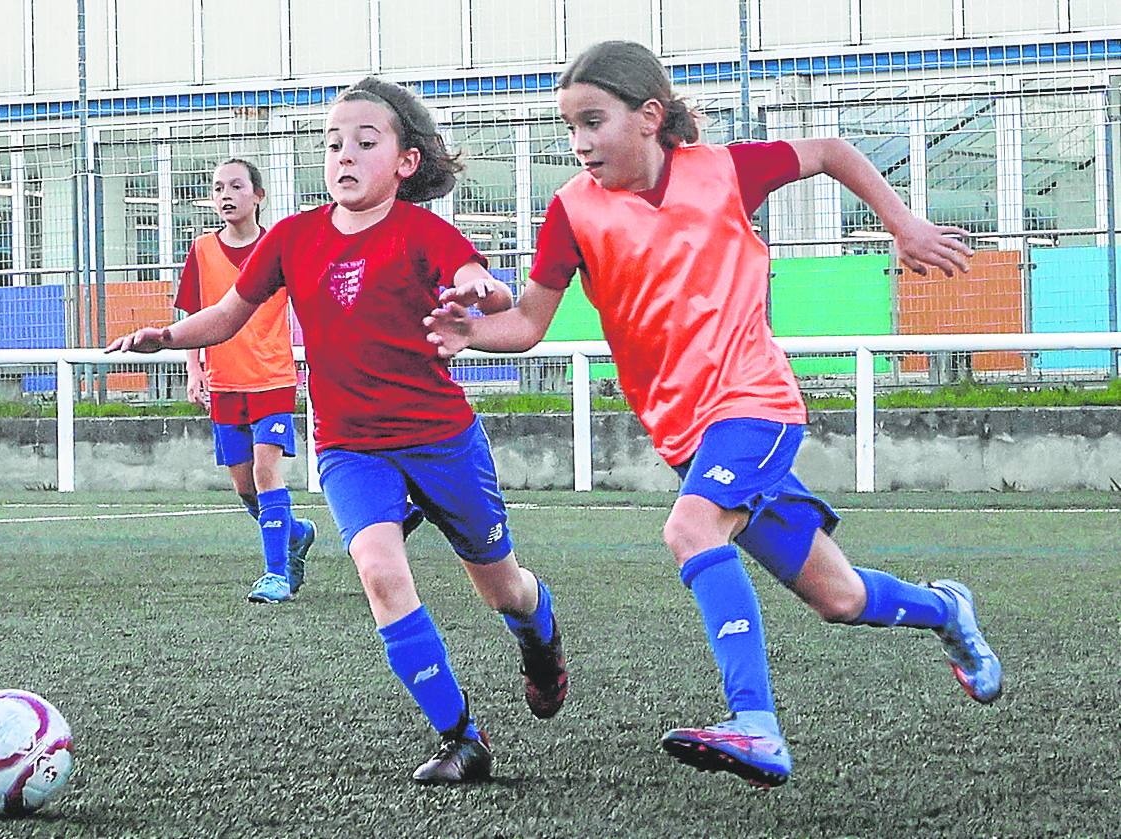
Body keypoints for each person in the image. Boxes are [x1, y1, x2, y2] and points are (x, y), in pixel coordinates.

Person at [425, 40, 1002, 789]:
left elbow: (828, 149)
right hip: (684, 434)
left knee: (689, 528)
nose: (580, 142)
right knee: (840, 596)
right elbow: (530, 322)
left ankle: (754, 722)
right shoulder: (571, 211)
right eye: (570, 126)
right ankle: (946, 610)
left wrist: (901, 222)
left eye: (593, 121)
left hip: (755, 403)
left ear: (649, 116)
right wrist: (469, 335)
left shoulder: (725, 169)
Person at [108, 77, 568, 784]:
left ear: (405, 163)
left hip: (442, 442)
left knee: (502, 588)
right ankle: (460, 735)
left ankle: (539, 639)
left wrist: (481, 291)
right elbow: (228, 312)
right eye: (332, 143)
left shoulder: (424, 233)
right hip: (351, 449)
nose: (344, 155)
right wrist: (167, 336)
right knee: (381, 572)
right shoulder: (294, 237)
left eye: (364, 140)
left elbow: (486, 285)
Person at [174, 158, 317, 604]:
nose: (225, 195)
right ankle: (294, 532)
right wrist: (194, 369)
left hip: (272, 378)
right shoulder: (201, 251)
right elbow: (192, 317)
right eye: (218, 188)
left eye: (235, 186)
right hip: (224, 382)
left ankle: (276, 574)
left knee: (265, 468)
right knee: (243, 485)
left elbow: (308, 306)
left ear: (258, 195)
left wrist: (317, 361)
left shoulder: (279, 248)